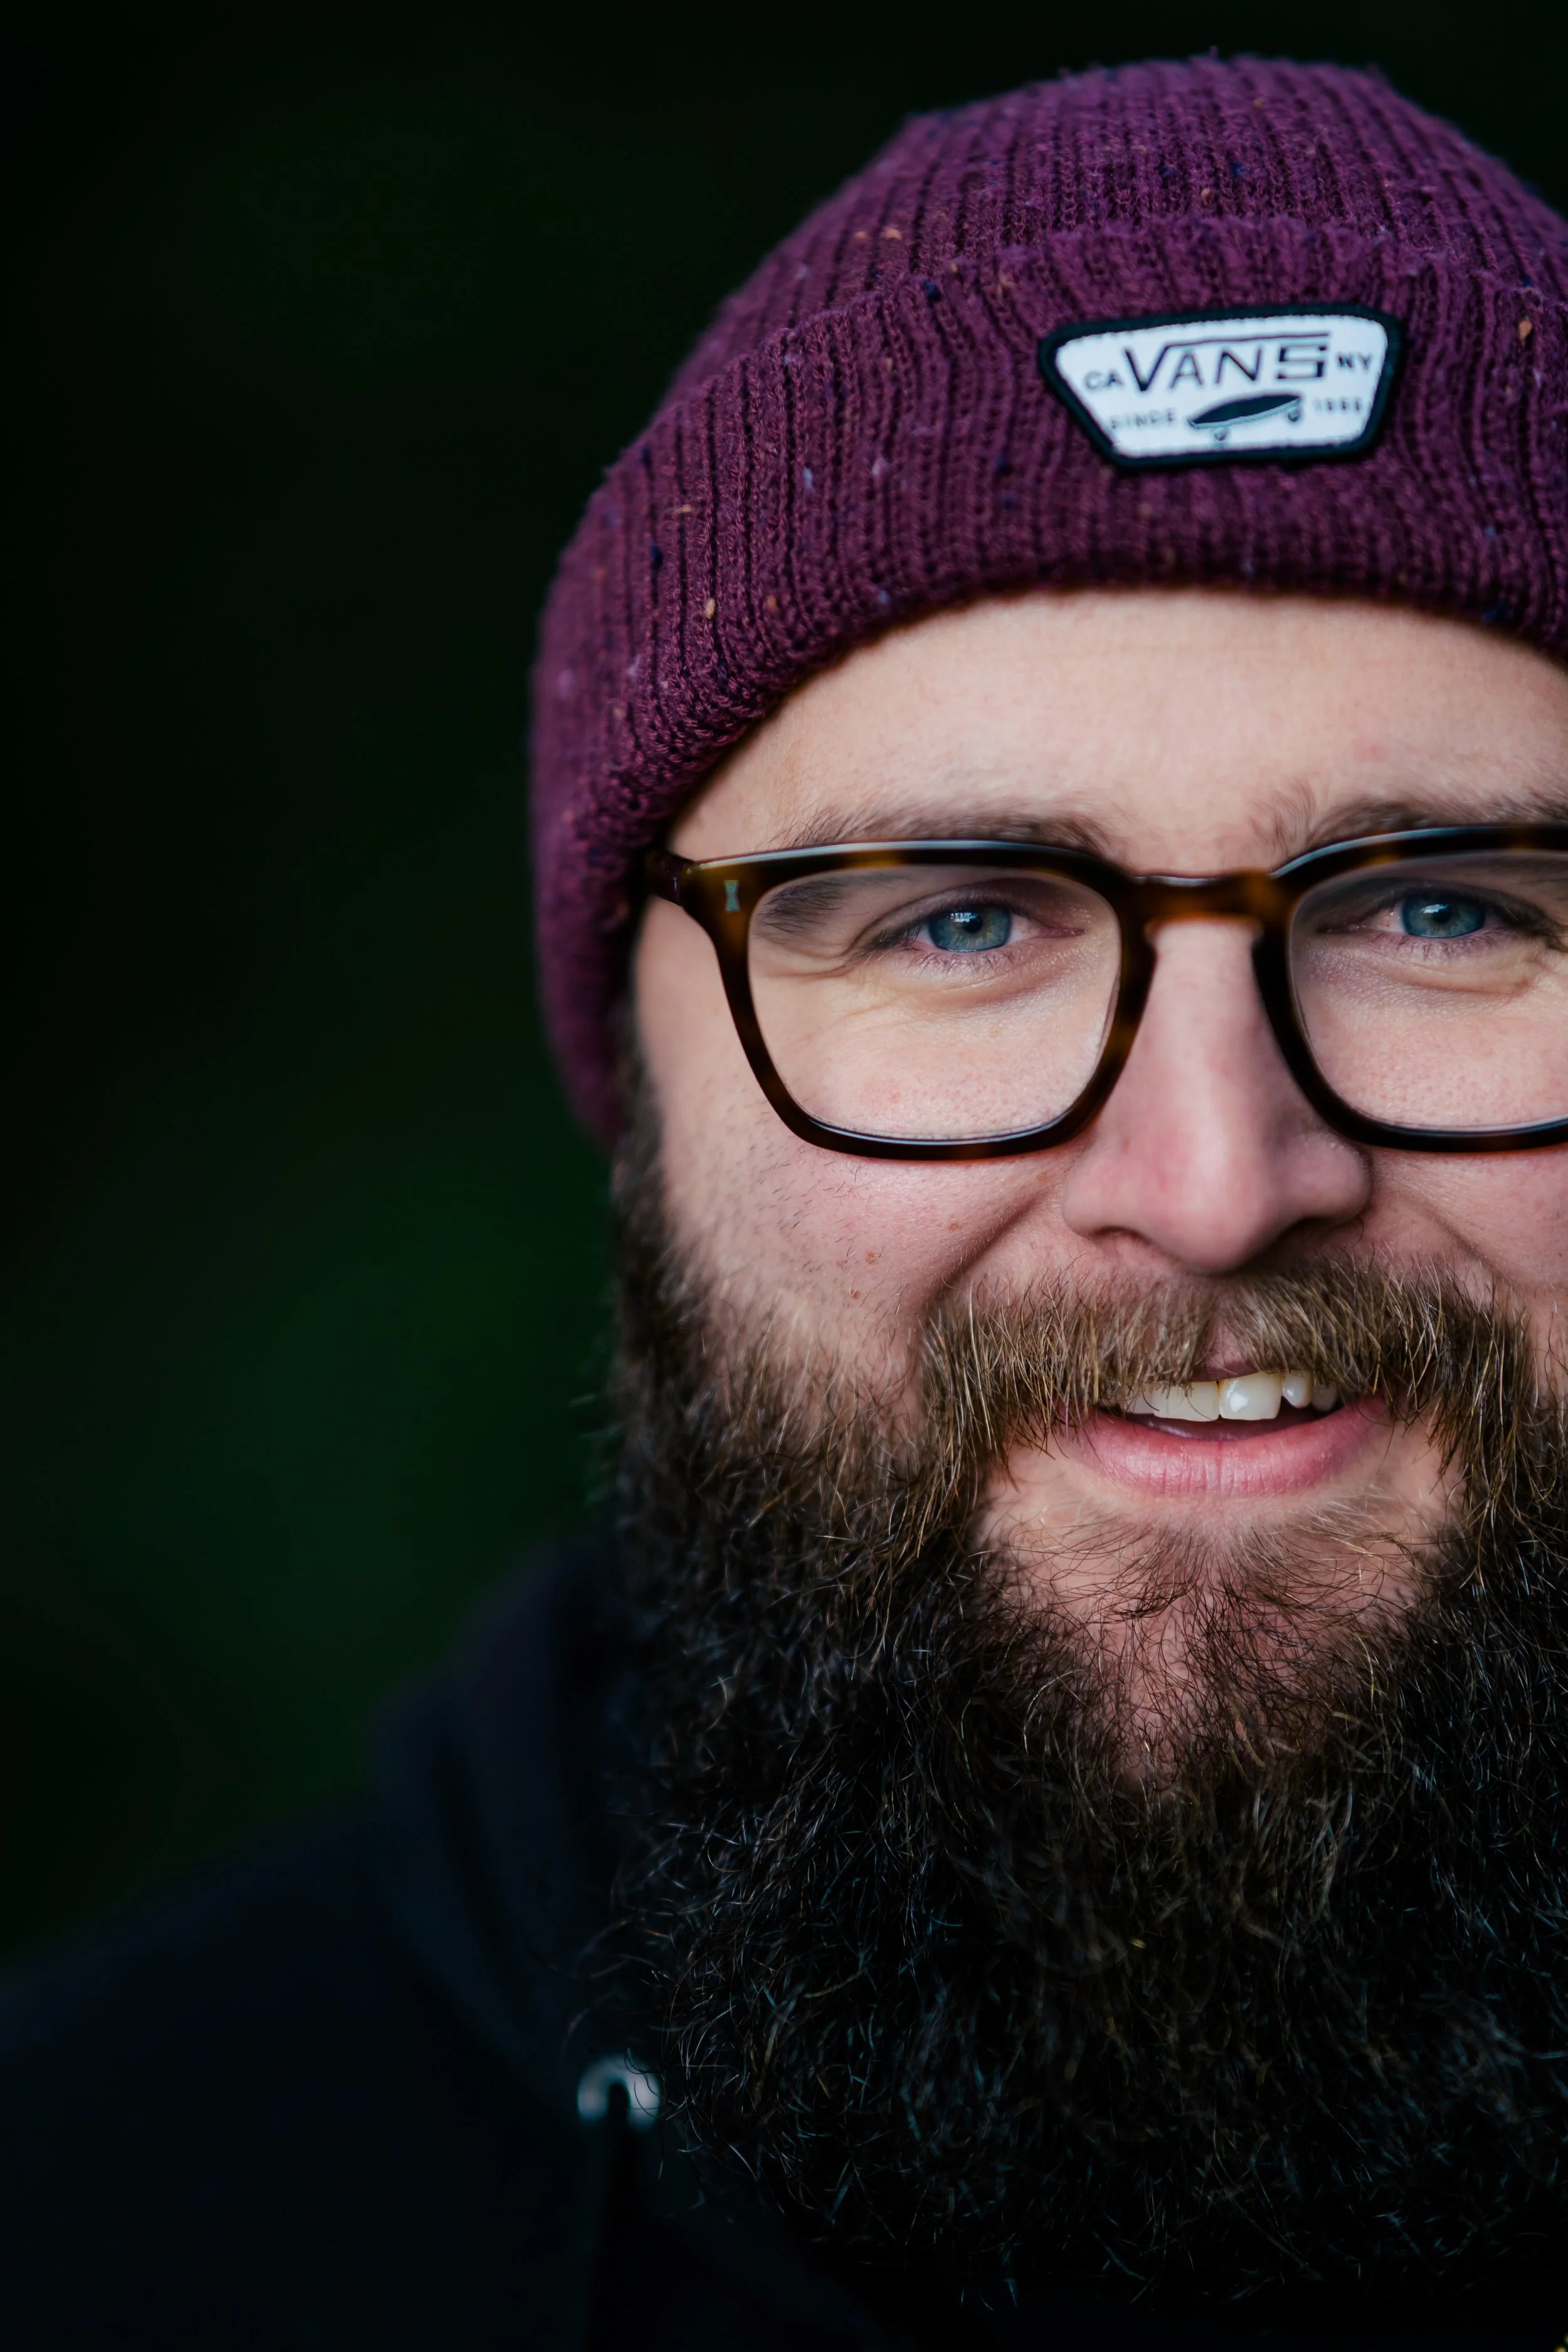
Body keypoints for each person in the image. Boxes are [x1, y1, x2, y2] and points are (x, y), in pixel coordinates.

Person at [4, 51, 1568, 2351]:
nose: (1221, 1181)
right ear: (632, 1081)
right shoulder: (91, 2229)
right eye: (957, 921)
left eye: (1441, 908)